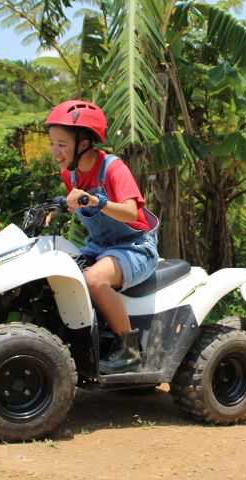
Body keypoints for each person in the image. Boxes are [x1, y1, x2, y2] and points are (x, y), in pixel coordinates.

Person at [44, 100, 159, 374]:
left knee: (93, 280)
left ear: (83, 143)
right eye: (52, 143)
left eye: (62, 144)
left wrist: (95, 201)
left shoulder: (112, 168)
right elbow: (76, 202)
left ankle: (130, 351)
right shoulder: (69, 174)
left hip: (135, 247)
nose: (55, 151)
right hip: (100, 248)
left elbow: (131, 213)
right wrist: (56, 209)